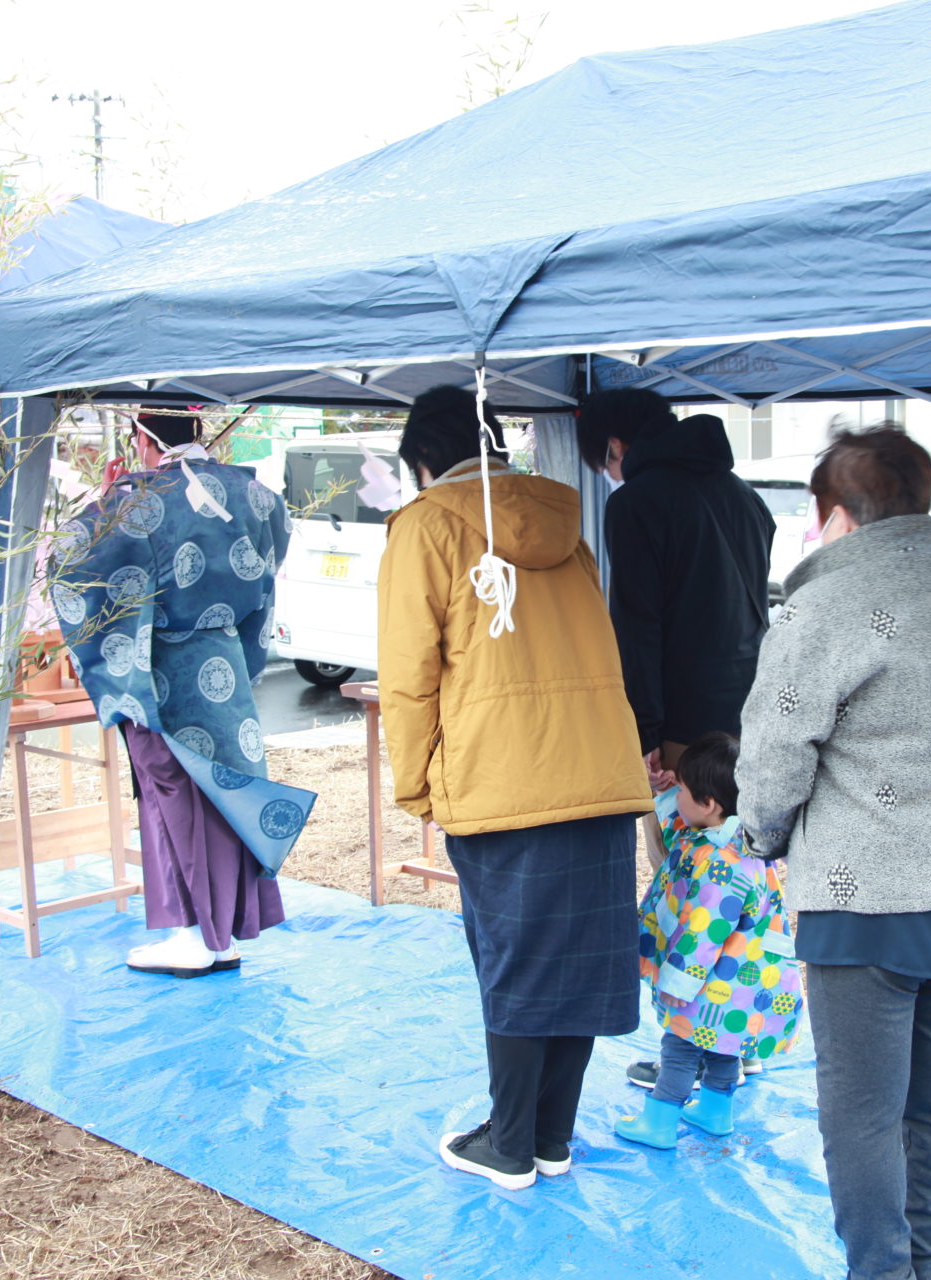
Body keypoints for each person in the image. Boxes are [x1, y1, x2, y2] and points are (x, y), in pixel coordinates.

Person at [738, 426, 931, 1280]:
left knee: (860, 1113)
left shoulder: (821, 608)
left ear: (834, 518)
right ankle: (925, 1266)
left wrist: (760, 835)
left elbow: (776, 754)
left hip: (864, 901)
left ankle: (880, 1272)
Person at [377, 384, 651, 1191]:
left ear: (422, 460)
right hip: (598, 771)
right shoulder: (567, 521)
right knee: (579, 964)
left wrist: (415, 784)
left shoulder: (426, 523)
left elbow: (407, 674)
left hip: (504, 778)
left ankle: (508, 1145)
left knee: (515, 965)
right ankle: (548, 1136)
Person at [50, 410, 299, 979]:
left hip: (157, 667)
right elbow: (270, 557)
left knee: (175, 797)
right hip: (226, 661)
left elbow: (68, 556)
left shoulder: (138, 500)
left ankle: (192, 935)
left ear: (143, 438)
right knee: (224, 794)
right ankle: (224, 935)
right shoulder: (255, 493)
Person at [614, 732, 802, 1150]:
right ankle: (716, 1112)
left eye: (681, 789)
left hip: (710, 981)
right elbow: (681, 827)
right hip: (739, 987)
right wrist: (663, 793)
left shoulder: (723, 864)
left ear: (710, 803)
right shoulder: (731, 837)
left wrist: (680, 983)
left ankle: (660, 1122)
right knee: (723, 1047)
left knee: (680, 1046)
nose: (677, 795)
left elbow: (704, 931)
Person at [577, 388, 774, 778]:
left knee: (685, 837)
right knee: (741, 836)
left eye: (603, 465)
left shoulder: (635, 502)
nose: (608, 475)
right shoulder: (744, 493)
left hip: (684, 723)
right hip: (751, 706)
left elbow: (637, 624)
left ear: (614, 445)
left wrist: (644, 729)